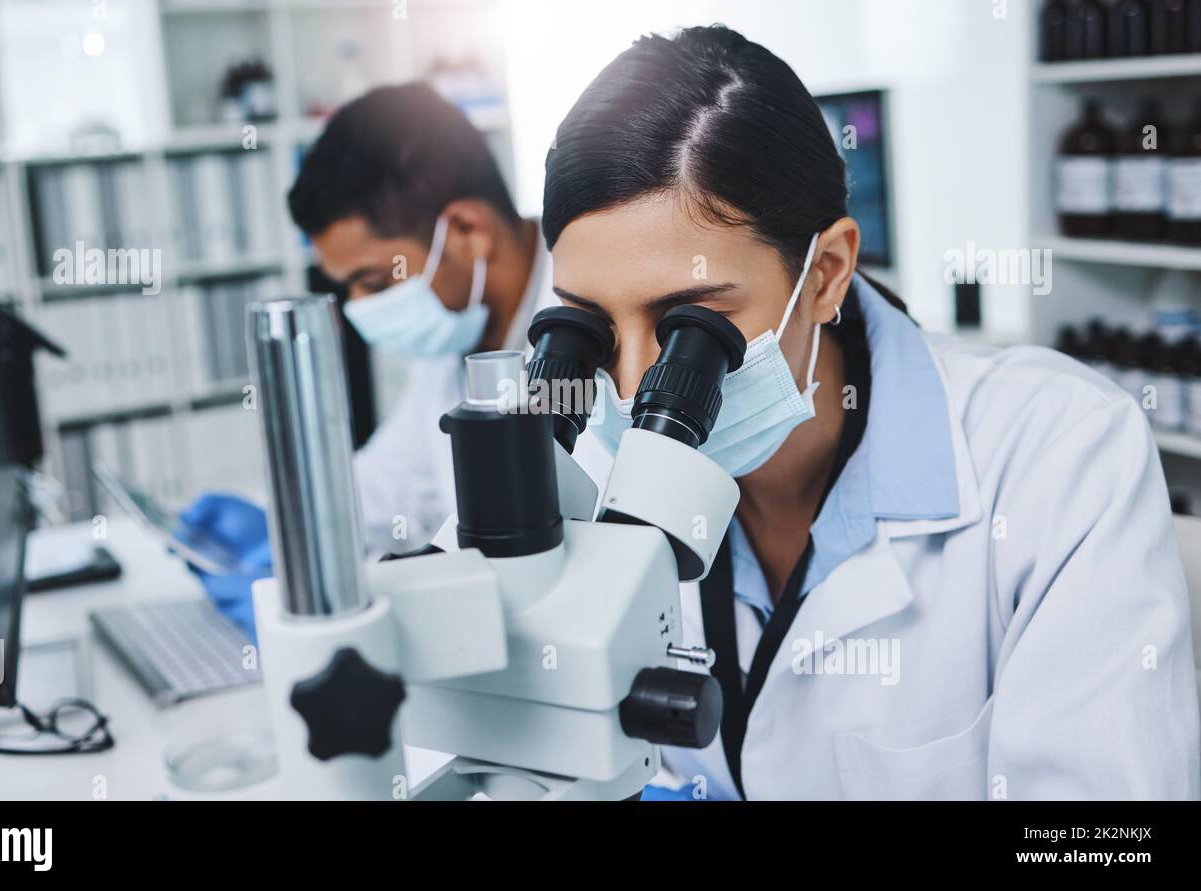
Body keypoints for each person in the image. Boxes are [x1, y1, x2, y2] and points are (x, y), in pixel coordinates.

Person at [542, 26, 1199, 799]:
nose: (628, 390)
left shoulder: (1058, 454)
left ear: (825, 273)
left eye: (689, 328)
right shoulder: (585, 475)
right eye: (592, 328)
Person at [180, 82, 557, 641]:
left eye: (375, 280)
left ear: (466, 231)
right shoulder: (462, 327)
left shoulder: (594, 326)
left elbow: (552, 570)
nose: (358, 308)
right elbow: (397, 483)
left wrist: (363, 600)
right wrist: (288, 520)